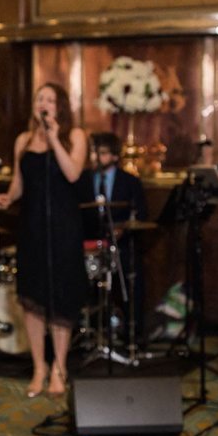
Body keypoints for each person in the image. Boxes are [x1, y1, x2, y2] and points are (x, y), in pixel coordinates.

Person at [0, 83, 89, 398]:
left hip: (64, 228)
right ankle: (39, 367)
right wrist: (9, 197)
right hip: (32, 227)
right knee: (33, 300)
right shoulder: (23, 140)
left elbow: (73, 173)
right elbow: (19, 183)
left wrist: (53, 138)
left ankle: (60, 367)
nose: (44, 103)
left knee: (60, 299)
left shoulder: (75, 136)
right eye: (40, 99)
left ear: (60, 106)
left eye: (50, 99)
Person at [76, 131, 148, 345]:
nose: (97, 157)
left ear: (115, 156)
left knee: (132, 274)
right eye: (94, 153)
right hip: (90, 242)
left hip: (121, 243)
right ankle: (83, 329)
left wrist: (122, 229)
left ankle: (132, 331)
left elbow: (141, 213)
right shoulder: (83, 179)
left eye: (103, 153)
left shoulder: (130, 181)